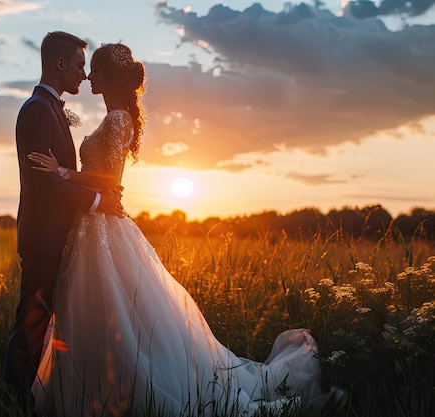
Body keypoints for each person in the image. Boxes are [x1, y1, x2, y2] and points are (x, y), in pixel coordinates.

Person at [27, 43, 333, 416]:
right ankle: (94, 390)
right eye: (85, 68)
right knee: (94, 316)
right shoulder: (113, 119)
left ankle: (125, 392)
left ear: (110, 77)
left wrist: (60, 171)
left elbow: (110, 179)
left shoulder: (119, 120)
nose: (89, 76)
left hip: (103, 229)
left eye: (94, 70)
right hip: (91, 226)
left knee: (114, 316)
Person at [4, 31, 125, 397]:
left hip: (56, 237)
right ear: (59, 64)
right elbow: (45, 185)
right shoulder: (38, 110)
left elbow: (57, 174)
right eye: (78, 65)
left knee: (50, 327)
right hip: (43, 239)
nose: (83, 74)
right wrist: (95, 202)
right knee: (30, 327)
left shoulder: (50, 107)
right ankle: (14, 398)